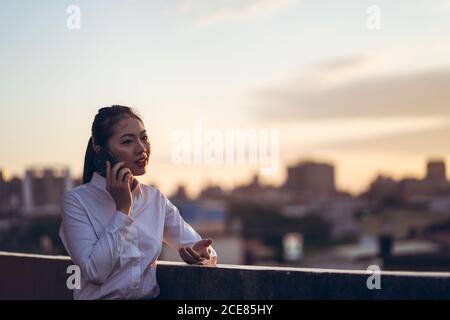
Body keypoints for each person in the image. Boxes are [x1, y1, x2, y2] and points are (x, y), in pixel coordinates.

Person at [59, 105, 217, 300]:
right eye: (127, 141)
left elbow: (203, 249)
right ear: (101, 153)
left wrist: (203, 256)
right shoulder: (76, 201)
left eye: (144, 138)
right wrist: (122, 209)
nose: (141, 148)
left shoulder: (155, 200)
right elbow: (95, 272)